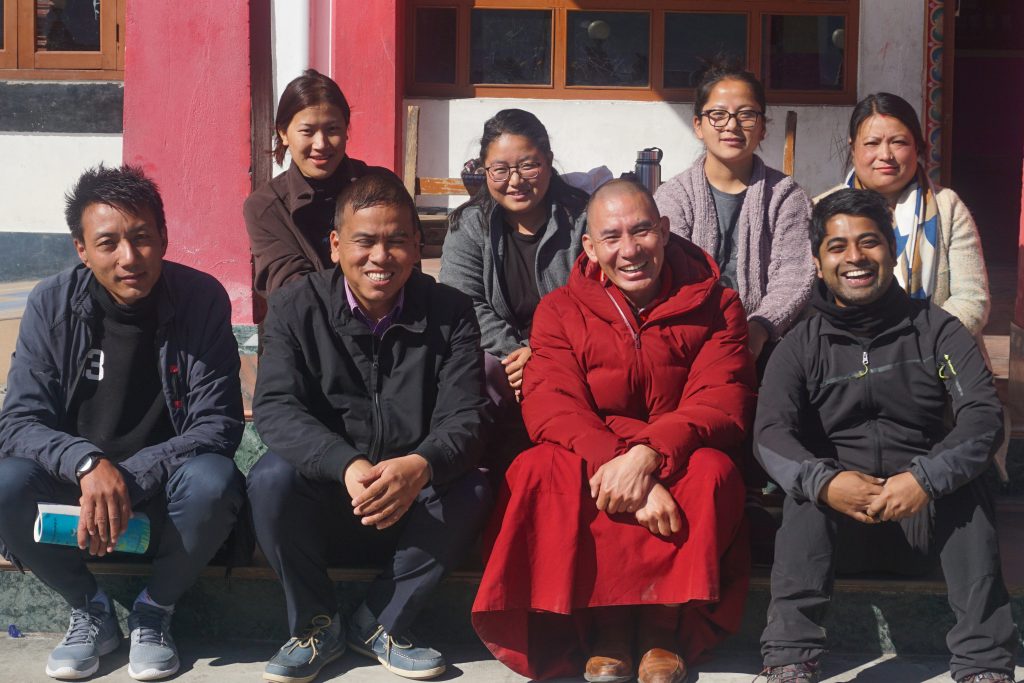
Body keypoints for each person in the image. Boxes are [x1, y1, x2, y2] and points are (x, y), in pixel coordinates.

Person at [473, 179, 756, 683]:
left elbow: (721, 398)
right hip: (596, 451)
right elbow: (551, 404)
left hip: (676, 450)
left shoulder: (718, 304)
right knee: (537, 469)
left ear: (665, 231)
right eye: (612, 237)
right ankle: (599, 632)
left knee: (713, 472)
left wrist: (646, 458)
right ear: (589, 246)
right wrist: (615, 464)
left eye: (642, 231)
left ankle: (661, 631)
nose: (629, 250)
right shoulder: (559, 310)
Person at [755, 189, 1015, 683]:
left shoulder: (939, 332)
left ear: (892, 251)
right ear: (818, 260)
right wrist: (826, 483)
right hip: (837, 531)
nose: (854, 257)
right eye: (837, 246)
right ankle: (789, 658)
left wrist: (924, 479)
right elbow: (769, 433)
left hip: (926, 523)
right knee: (806, 491)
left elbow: (982, 418)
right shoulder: (799, 347)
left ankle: (983, 664)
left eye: (868, 242)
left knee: (968, 481)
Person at [0, 165, 246, 681]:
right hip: (74, 497)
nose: (129, 258)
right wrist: (88, 465)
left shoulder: (200, 299)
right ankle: (90, 609)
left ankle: (155, 610)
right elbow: (20, 420)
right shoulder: (51, 303)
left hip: (164, 497)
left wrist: (127, 476)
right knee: (5, 483)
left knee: (215, 481)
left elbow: (218, 424)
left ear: (163, 238)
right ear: (81, 249)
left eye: (142, 238)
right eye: (108, 243)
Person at [248, 173, 492, 683]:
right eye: (365, 241)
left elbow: (466, 415)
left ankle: (383, 621)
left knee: (472, 484)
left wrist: (419, 466)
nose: (381, 257)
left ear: (418, 244)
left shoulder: (449, 311)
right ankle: (315, 624)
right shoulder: (296, 308)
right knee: (270, 479)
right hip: (330, 498)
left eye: (397, 240)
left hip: (416, 510)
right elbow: (275, 407)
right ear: (336, 245)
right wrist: (345, 464)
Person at [654, 59, 815, 366]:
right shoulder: (674, 196)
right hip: (688, 340)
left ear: (763, 128)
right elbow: (666, 276)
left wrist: (759, 328)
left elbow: (794, 278)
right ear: (698, 126)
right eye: (718, 115)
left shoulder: (785, 196)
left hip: (769, 345)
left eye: (746, 115)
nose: (731, 126)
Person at [440, 109, 589, 410]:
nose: (516, 180)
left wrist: (541, 352)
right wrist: (517, 355)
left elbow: (595, 300)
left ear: (548, 160)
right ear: (485, 171)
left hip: (571, 353)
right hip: (503, 363)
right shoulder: (468, 226)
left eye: (529, 166)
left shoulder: (584, 221)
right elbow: (464, 303)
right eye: (501, 170)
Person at [817, 92, 990, 338]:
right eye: (872, 143)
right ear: (852, 147)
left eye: (898, 142)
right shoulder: (822, 209)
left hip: (937, 358)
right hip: (847, 356)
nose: (886, 155)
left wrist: (917, 345)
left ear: (917, 147)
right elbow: (812, 299)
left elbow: (971, 300)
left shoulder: (948, 207)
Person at [244, 68, 396, 306]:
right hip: (306, 334)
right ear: (283, 133)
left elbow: (406, 263)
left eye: (332, 129)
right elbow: (290, 288)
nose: (321, 144)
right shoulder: (266, 207)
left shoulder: (384, 187)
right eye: (307, 131)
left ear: (346, 129)